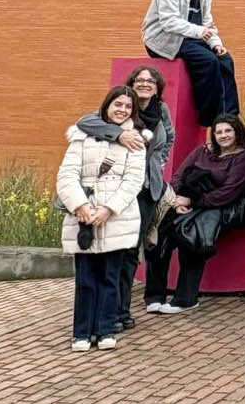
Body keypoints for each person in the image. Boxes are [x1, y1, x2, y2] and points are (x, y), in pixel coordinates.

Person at [73, 65, 174, 330]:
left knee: (132, 250)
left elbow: (169, 139)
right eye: (140, 80)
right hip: (117, 188)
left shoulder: (161, 111)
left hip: (145, 189)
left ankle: (122, 309)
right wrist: (119, 133)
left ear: (157, 87)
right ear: (132, 83)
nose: (145, 84)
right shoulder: (124, 106)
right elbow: (86, 122)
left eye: (150, 81)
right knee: (116, 249)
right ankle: (110, 312)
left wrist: (158, 164)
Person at [56, 86, 147, 351]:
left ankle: (106, 329)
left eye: (128, 107)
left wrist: (109, 208)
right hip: (83, 214)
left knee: (110, 277)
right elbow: (67, 174)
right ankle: (81, 332)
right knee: (85, 278)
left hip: (115, 217)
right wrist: (80, 205)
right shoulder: (81, 136)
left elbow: (133, 181)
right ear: (107, 105)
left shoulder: (136, 141)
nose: (122, 110)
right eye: (118, 104)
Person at [146, 113, 245, 314]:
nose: (223, 135)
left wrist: (192, 201)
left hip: (216, 208)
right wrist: (177, 201)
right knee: (159, 236)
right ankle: (155, 295)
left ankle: (185, 298)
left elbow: (228, 193)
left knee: (192, 239)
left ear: (237, 132)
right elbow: (180, 175)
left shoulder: (243, 158)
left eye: (228, 131)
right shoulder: (202, 151)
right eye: (219, 132)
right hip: (185, 202)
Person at [142, 0, 239, 126]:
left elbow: (208, 22)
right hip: (164, 39)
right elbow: (168, 21)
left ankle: (229, 116)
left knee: (225, 60)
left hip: (189, 37)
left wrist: (216, 44)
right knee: (208, 61)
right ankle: (209, 117)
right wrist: (200, 32)